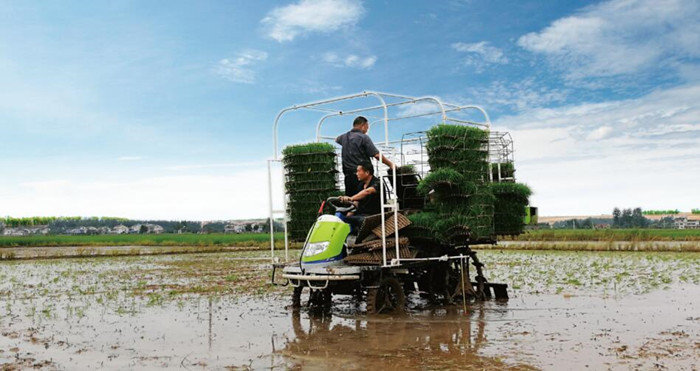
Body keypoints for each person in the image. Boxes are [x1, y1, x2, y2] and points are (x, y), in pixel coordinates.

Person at [336, 116, 395, 196]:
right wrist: (390, 164)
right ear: (363, 125)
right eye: (367, 127)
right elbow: (376, 155)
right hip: (362, 176)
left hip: (348, 176)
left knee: (351, 200)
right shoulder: (363, 137)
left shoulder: (343, 137)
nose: (367, 130)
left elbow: (336, 139)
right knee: (366, 197)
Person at [337, 161, 382, 231]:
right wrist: (349, 213)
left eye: (358, 171)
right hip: (361, 214)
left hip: (374, 216)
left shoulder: (377, 183)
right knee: (341, 216)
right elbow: (356, 203)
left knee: (360, 220)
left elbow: (367, 191)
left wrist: (350, 198)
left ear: (367, 172)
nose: (356, 174)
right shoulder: (361, 185)